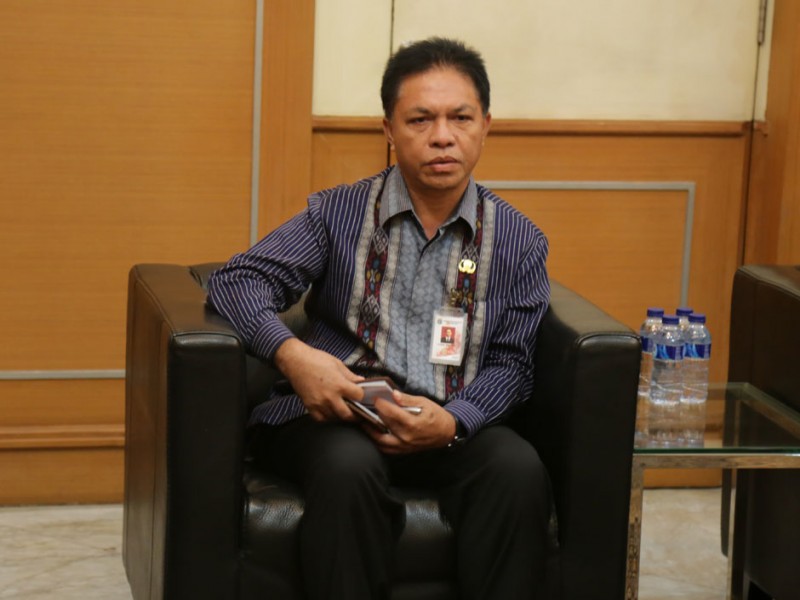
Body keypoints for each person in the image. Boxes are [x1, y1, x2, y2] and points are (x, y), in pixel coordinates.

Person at [207, 37, 551, 600]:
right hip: (335, 421)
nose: (442, 136)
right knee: (348, 468)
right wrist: (293, 356)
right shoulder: (337, 213)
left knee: (517, 468)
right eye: (420, 119)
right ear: (389, 129)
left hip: (448, 422)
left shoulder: (518, 239)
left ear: (486, 126)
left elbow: (513, 365)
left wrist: (455, 421)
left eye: (460, 118)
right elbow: (236, 282)